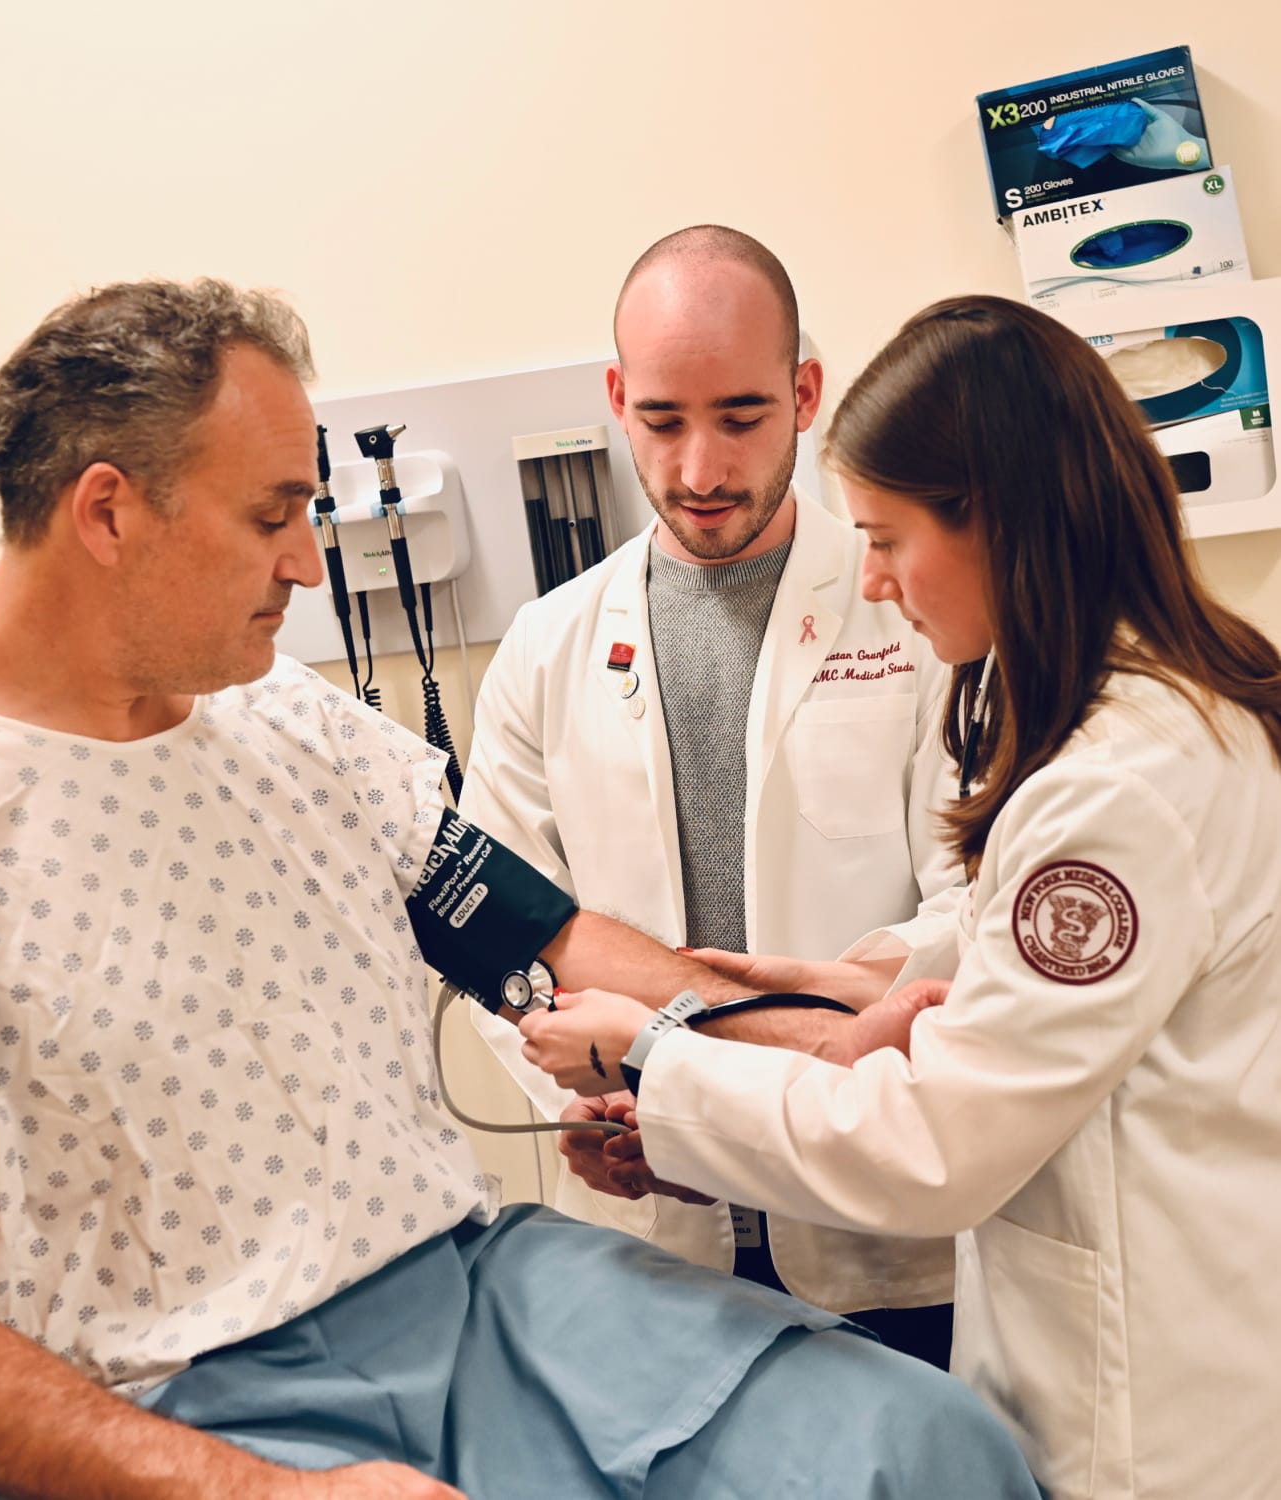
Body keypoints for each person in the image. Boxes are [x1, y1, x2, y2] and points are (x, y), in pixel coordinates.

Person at [0, 279, 1042, 1500]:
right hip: (169, 1392)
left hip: (477, 1291)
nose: (306, 568)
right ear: (109, 513)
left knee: (915, 1449)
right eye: (272, 517)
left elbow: (539, 945)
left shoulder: (292, 730)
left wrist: (829, 1041)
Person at [520, 293, 1281, 1500]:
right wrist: (854, 981)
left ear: (1003, 524)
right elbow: (1038, 981)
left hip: (1152, 1417)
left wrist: (660, 1053)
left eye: (887, 537)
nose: (871, 581)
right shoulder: (1171, 708)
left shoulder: (1117, 789)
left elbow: (937, 1146)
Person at [460, 225, 960, 1363]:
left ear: (805, 393)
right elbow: (503, 932)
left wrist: (751, 1072)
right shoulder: (546, 648)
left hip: (883, 1230)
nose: (700, 470)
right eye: (662, 421)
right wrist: (585, 1104)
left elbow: (971, 911)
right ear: (616, 397)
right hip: (648, 1238)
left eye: (741, 418)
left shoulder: (917, 613)